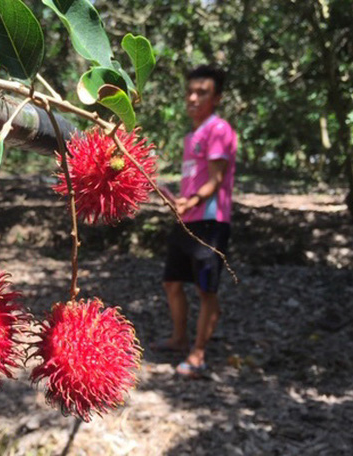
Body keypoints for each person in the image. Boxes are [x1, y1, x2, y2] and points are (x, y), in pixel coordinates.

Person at [155, 65, 238, 378]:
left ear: (216, 98)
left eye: (202, 92)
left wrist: (191, 201)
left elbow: (216, 180)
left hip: (210, 222)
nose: (192, 97)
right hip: (186, 220)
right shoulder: (193, 135)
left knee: (206, 290)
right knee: (172, 283)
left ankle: (199, 354)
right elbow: (195, 180)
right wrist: (177, 198)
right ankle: (179, 339)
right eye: (190, 91)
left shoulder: (219, 129)